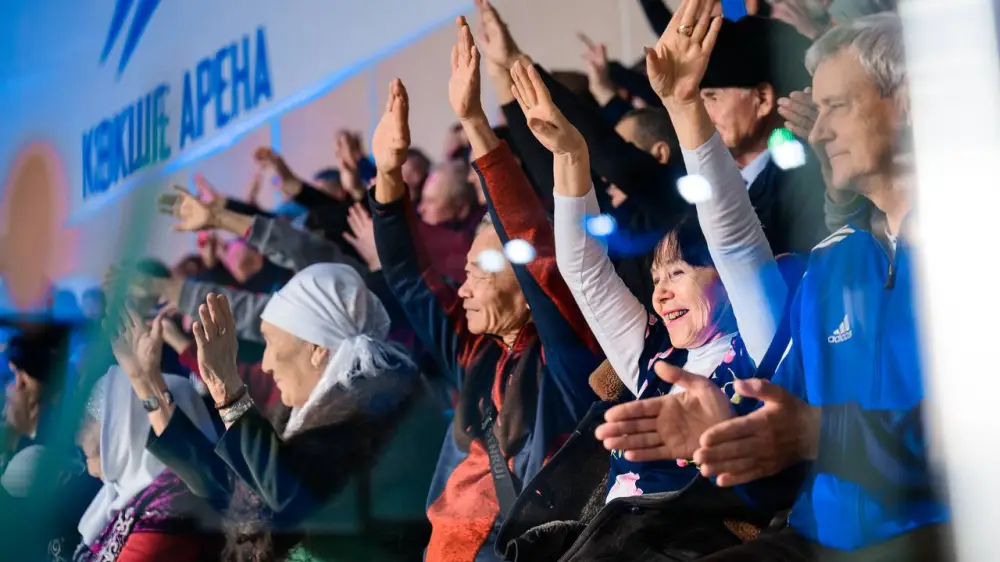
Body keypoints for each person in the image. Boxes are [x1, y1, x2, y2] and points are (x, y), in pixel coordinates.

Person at [599, 12, 950, 561]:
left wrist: (819, 434)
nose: (819, 128)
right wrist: (730, 438)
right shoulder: (831, 265)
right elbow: (784, 459)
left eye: (838, 105)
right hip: (815, 538)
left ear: (905, 100)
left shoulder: (976, 246)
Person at [499, 15, 792, 554]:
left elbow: (732, 236)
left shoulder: (760, 336)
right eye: (657, 278)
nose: (659, 293)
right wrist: (571, 157)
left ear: (728, 284)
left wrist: (684, 106)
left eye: (678, 273)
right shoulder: (650, 359)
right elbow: (584, 270)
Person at [368, 18, 603, 561]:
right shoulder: (475, 353)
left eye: (482, 271)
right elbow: (406, 274)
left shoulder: (563, 358)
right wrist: (387, 173)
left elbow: (529, 240)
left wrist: (475, 123)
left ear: (524, 284)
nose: (464, 287)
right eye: (466, 270)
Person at [137, 264, 420, 561]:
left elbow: (290, 495)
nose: (267, 363)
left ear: (316, 348)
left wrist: (228, 388)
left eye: (270, 343)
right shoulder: (313, 412)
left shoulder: (368, 415)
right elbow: (235, 488)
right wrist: (148, 386)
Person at [73, 368, 221, 562]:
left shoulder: (169, 510)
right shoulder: (121, 493)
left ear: (127, 424)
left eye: (91, 418)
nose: (79, 437)